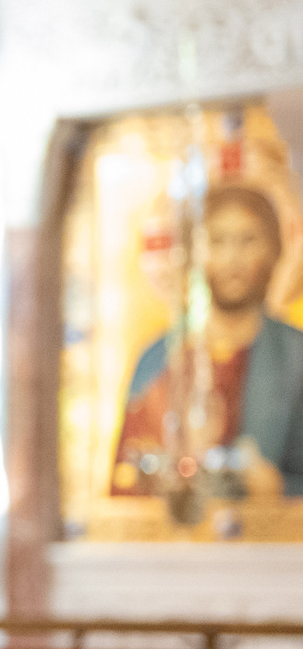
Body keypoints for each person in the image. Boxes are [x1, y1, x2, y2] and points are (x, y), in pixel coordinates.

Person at [113, 185, 303, 498]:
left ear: (273, 249)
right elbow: (125, 482)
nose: (233, 258)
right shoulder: (159, 359)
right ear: (194, 254)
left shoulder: (295, 356)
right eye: (218, 241)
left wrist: (279, 489)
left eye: (248, 240)